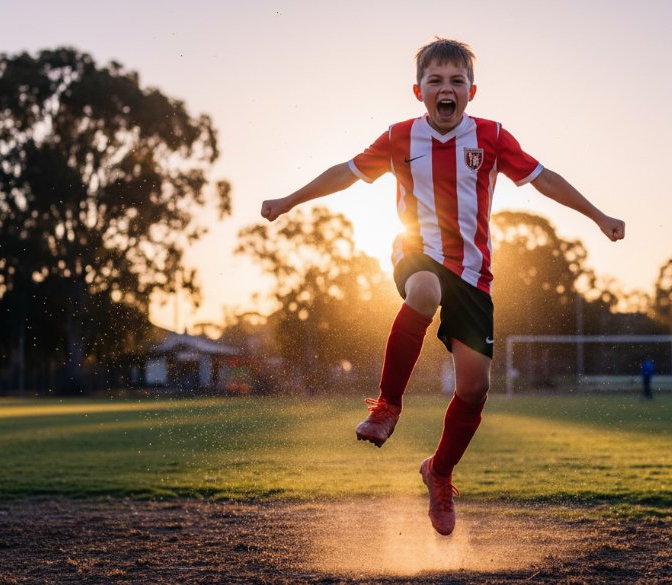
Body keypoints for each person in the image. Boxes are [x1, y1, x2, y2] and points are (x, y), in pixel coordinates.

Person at [261, 38, 625, 536]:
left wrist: (598, 216)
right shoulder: (398, 138)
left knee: (475, 387)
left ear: (472, 91)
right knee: (425, 289)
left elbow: (545, 179)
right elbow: (345, 174)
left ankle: (439, 471)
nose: (446, 89)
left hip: (474, 275)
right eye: (436, 81)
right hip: (418, 255)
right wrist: (288, 200)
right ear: (419, 91)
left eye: (456, 81)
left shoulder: (493, 137)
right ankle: (387, 406)